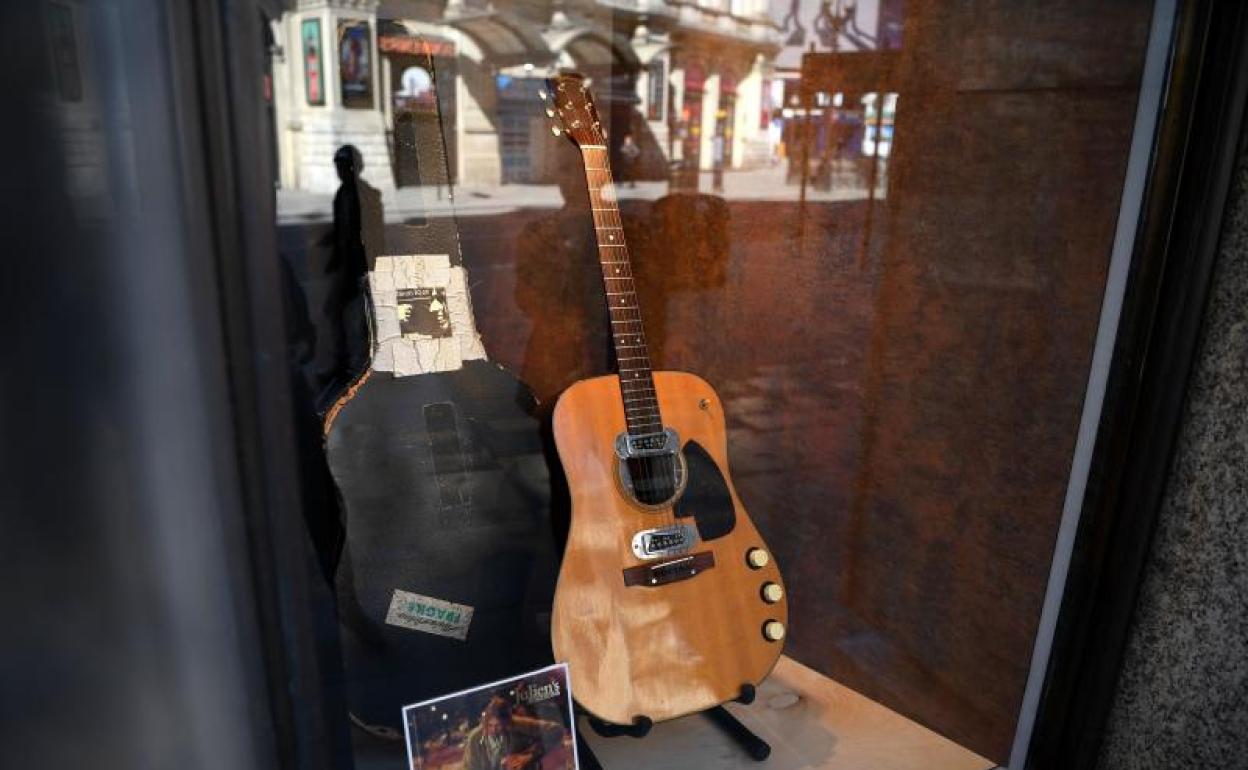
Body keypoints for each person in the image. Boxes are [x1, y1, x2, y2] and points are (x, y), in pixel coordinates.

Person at [460, 696, 563, 770]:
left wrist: (529, 756)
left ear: (506, 722)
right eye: (490, 725)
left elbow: (556, 730)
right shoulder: (475, 738)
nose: (493, 730)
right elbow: (468, 767)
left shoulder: (516, 724)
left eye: (498, 725)